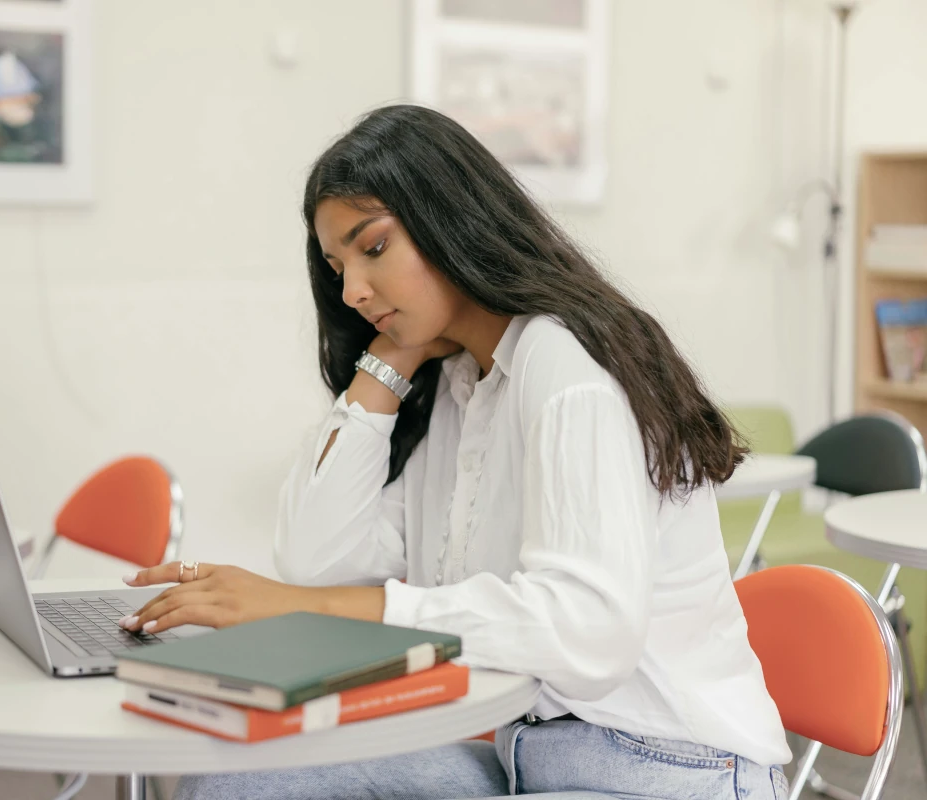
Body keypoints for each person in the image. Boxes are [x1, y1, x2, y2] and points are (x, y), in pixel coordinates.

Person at [117, 104, 791, 799]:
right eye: (337, 266)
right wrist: (385, 363)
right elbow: (319, 563)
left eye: (372, 247)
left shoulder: (565, 364)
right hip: (532, 761)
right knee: (242, 773)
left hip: (669, 773)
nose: (351, 290)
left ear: (451, 219)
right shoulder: (458, 386)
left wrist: (306, 607)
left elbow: (588, 632)